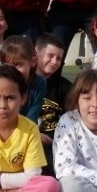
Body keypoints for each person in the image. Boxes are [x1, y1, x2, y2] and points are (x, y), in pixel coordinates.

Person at [35, 33, 71, 174]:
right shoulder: (23, 83)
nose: (54, 61)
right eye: (50, 56)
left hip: (57, 145)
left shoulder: (64, 87)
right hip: (30, 142)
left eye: (59, 58)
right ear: (37, 52)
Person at [0, 35, 45, 123]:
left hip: (26, 127)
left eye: (18, 64)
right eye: (7, 64)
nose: (12, 70)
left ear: (33, 61)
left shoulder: (39, 82)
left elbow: (31, 118)